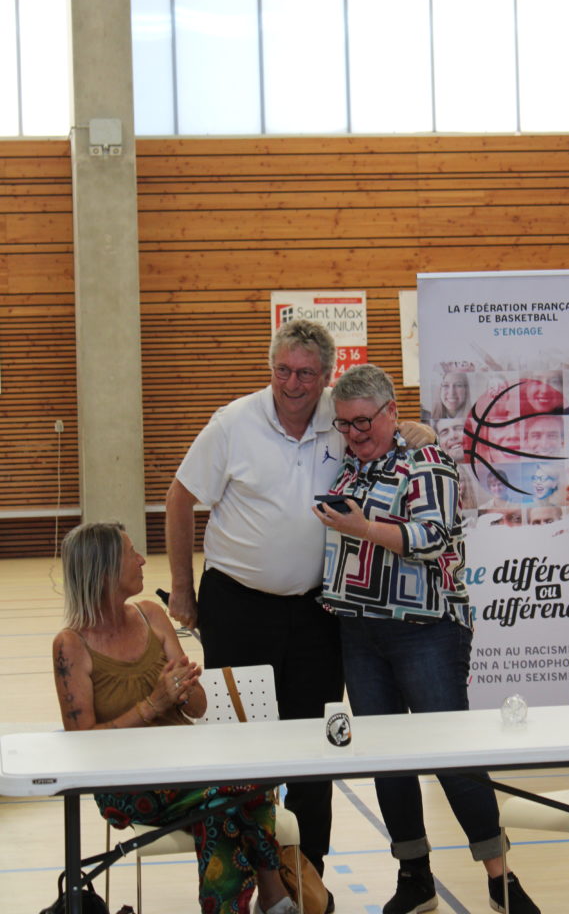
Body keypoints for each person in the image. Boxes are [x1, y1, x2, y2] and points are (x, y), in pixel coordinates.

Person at [165, 318, 432, 884]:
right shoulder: (233, 423)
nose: (293, 383)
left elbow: (389, 431)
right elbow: (180, 500)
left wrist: (416, 430)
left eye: (307, 373)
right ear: (271, 368)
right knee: (240, 747)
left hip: (318, 612)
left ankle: (308, 879)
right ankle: (244, 876)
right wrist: (183, 589)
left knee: (317, 745)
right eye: (283, 370)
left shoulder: (342, 418)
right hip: (238, 607)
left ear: (327, 375)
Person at [313, 364, 541, 914]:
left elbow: (433, 537)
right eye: (344, 424)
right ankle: (414, 876)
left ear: (391, 411)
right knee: (388, 760)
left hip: (426, 631)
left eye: (363, 421)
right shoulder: (349, 463)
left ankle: (501, 879)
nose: (353, 433)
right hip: (359, 631)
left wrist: (363, 528)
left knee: (453, 756)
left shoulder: (427, 460)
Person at [52, 522, 295, 914]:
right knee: (231, 794)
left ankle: (255, 901)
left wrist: (185, 689)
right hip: (125, 782)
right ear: (105, 570)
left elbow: (197, 708)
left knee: (225, 801)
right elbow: (82, 740)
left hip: (186, 766)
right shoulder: (71, 645)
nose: (142, 560)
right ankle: (274, 893)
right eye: (131, 553)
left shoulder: (150, 614)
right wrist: (152, 704)